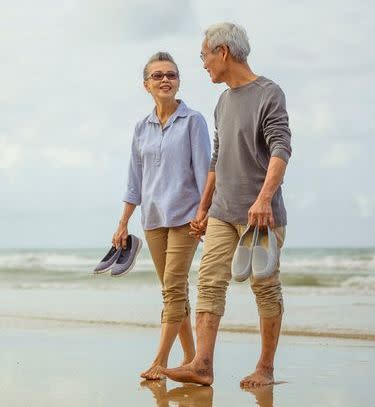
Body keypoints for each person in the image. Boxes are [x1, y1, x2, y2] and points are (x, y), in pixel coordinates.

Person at [163, 22, 293, 388]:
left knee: (265, 287)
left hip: (261, 216)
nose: (203, 63)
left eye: (204, 55)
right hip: (222, 212)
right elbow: (217, 160)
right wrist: (203, 208)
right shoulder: (222, 101)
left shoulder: (269, 93)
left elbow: (282, 147)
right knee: (208, 282)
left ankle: (265, 368)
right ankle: (202, 365)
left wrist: (264, 198)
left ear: (224, 52)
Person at [113, 51, 211, 380]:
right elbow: (134, 181)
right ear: (146, 85)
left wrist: (204, 213)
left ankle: (159, 360)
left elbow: (204, 172)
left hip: (185, 218)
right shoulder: (141, 129)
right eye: (157, 76)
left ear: (179, 82)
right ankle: (191, 356)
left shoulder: (193, 121)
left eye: (171, 74)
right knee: (175, 291)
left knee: (173, 289)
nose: (165, 80)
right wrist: (123, 221)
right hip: (153, 221)